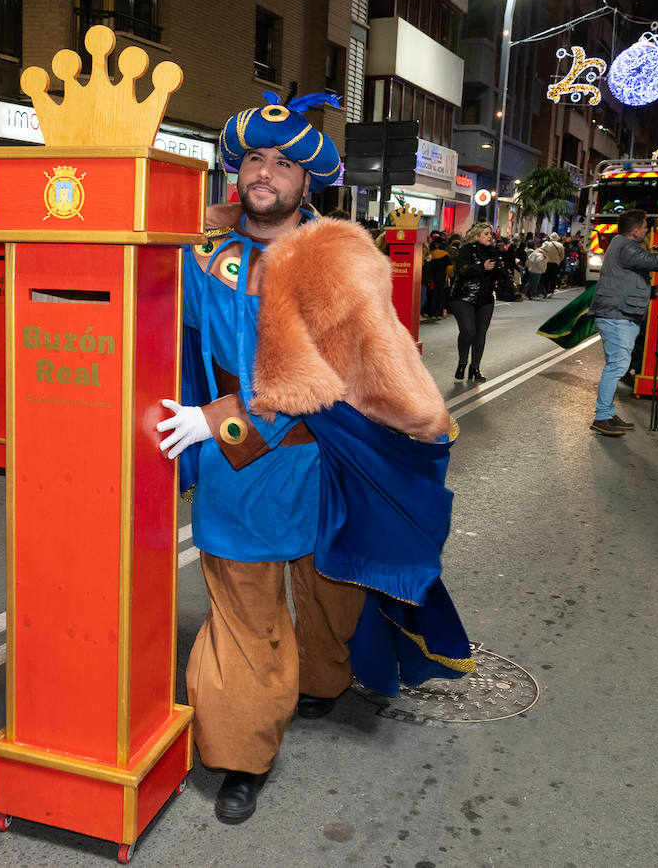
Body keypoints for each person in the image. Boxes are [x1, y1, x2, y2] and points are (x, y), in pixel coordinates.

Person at [155, 91, 471, 825]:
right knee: (244, 611)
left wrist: (217, 420)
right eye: (254, 160)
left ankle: (324, 677)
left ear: (309, 181)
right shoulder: (202, 250)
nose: (265, 173)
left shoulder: (339, 259)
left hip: (327, 453)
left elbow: (327, 375)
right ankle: (240, 753)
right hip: (242, 472)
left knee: (330, 582)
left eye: (284, 164)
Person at [586, 210, 658, 437]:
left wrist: (653, 291)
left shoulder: (621, 246)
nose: (648, 230)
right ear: (636, 230)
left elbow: (625, 282)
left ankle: (607, 413)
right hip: (617, 315)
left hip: (619, 312)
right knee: (617, 366)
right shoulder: (626, 247)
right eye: (646, 226)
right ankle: (602, 417)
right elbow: (657, 262)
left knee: (616, 364)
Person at [449, 222, 502, 382]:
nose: (489, 236)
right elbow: (462, 271)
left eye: (490, 234)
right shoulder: (465, 250)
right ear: (476, 236)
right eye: (486, 233)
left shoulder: (493, 252)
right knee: (468, 331)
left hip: (485, 298)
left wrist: (500, 272)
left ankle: (475, 368)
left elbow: (496, 276)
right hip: (464, 297)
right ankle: (462, 363)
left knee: (480, 335)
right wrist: (481, 266)